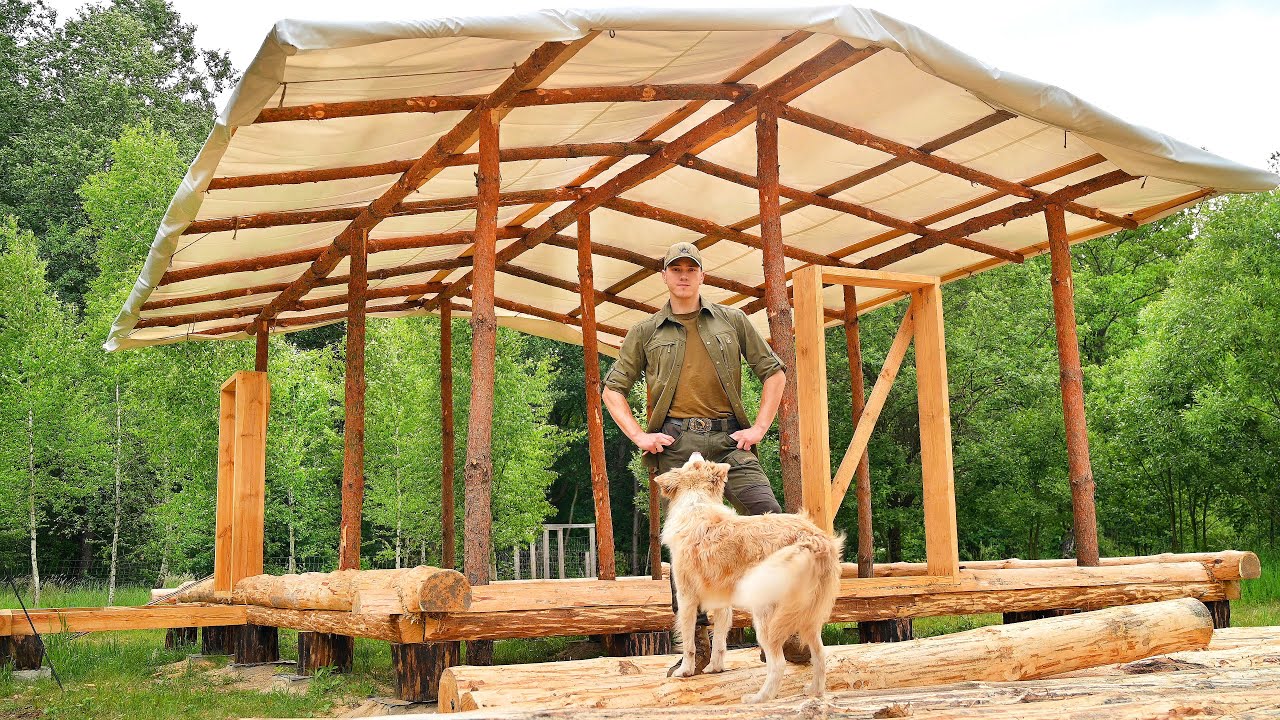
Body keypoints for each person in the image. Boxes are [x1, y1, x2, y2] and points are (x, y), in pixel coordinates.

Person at [601, 241, 806, 675]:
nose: (683, 275)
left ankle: (789, 633)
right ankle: (693, 647)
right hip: (675, 447)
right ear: (664, 276)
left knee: (771, 520)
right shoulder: (646, 331)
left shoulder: (732, 320)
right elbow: (612, 389)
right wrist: (639, 435)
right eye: (674, 268)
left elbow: (775, 372)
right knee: (686, 549)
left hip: (729, 443)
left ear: (701, 275)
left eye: (690, 268)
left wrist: (760, 428)